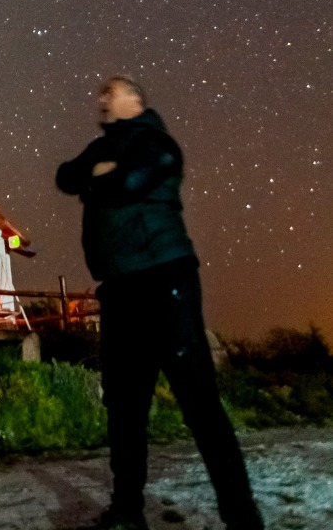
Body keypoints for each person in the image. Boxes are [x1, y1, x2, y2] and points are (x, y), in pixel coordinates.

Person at [56, 76, 265, 530]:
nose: (101, 98)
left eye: (111, 91)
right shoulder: (101, 147)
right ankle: (127, 511)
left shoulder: (157, 143)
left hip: (164, 281)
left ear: (134, 100)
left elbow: (130, 182)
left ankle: (242, 517)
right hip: (119, 291)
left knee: (199, 404)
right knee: (126, 408)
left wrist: (98, 179)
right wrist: (97, 175)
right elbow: (64, 176)